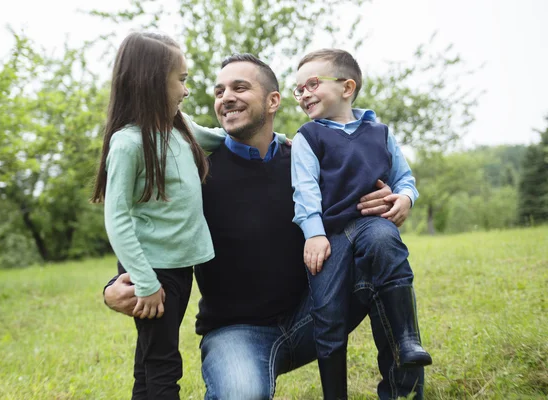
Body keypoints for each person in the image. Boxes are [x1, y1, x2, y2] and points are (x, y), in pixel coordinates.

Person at [104, 53, 426, 400]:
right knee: (242, 394)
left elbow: (355, 219)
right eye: (219, 91)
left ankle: (401, 391)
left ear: (273, 101)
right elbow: (151, 229)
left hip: (315, 312)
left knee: (379, 243)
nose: (226, 97)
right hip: (236, 332)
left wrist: (397, 199)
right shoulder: (198, 174)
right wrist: (112, 289)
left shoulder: (305, 161)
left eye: (240, 88)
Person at [90, 32, 233, 400]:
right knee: (162, 361)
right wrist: (145, 281)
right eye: (181, 79)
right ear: (152, 81)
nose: (186, 90)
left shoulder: (178, 126)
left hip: (179, 265)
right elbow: (117, 218)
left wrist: (279, 140)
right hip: (153, 269)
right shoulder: (128, 143)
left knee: (150, 359)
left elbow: (219, 139)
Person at [291, 48, 432, 398]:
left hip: (373, 223)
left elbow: (404, 179)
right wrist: (314, 234)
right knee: (327, 313)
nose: (304, 93)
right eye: (298, 89)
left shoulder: (380, 132)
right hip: (331, 234)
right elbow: (305, 190)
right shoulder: (309, 137)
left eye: (312, 84)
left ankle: (406, 344)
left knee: (387, 247)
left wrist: (405, 199)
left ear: (347, 87)